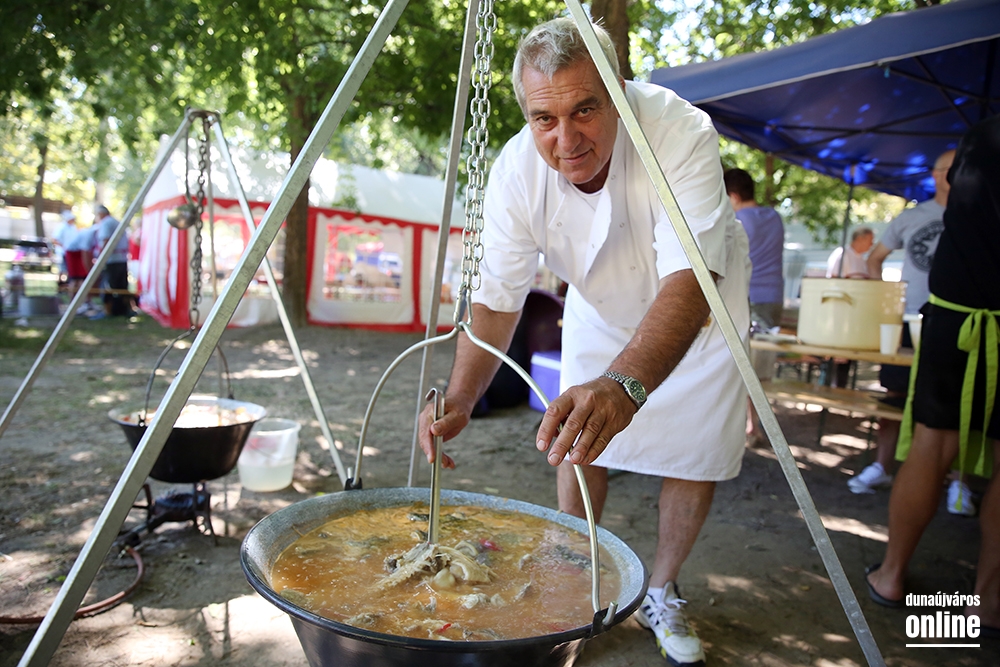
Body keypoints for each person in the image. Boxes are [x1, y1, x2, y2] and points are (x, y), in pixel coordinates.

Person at [419, 18, 751, 666]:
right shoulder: (516, 170)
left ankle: (662, 589)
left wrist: (625, 384)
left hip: (701, 310)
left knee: (693, 455)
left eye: (585, 110)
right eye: (545, 118)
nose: (566, 140)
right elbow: (496, 298)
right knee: (578, 441)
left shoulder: (677, 130)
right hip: (599, 309)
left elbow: (690, 278)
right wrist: (459, 396)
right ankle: (576, 578)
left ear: (618, 90)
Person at [864, 114, 1000, 636]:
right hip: (954, 318)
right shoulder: (916, 214)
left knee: (931, 444)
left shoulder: (985, 136)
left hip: (956, 316)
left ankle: (892, 575)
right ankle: (988, 605)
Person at [850, 150, 974, 513]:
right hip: (909, 321)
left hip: (960, 323)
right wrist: (887, 302)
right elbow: (875, 258)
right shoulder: (913, 217)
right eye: (952, 168)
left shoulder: (979, 215)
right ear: (936, 174)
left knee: (958, 404)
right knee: (895, 395)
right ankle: (882, 466)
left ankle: (959, 481)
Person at [725, 167, 784, 447]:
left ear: (733, 196)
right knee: (762, 368)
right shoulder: (774, 217)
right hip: (774, 296)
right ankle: (754, 425)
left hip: (748, 296)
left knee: (744, 365)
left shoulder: (737, 221)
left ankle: (751, 427)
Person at [94, 204, 133, 318]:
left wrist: (101, 257)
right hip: (121, 258)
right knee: (122, 285)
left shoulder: (106, 223)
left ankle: (108, 311)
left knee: (108, 285)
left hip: (112, 260)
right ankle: (126, 309)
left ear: (101, 214)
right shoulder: (117, 222)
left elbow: (105, 240)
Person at [53, 209, 79, 281]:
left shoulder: (73, 227)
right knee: (61, 268)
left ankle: (68, 281)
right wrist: (63, 247)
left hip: (71, 251)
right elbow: (55, 239)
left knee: (69, 267)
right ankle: (60, 282)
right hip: (62, 251)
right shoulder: (61, 227)